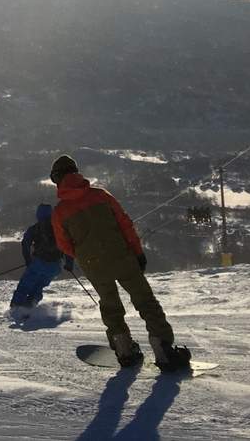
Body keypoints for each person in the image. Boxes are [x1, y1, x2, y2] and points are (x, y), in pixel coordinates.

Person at [49, 154, 192, 371]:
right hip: (122, 257)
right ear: (76, 172)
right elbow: (126, 225)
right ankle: (163, 351)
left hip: (94, 265)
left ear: (57, 179)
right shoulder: (101, 196)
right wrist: (137, 252)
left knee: (110, 306)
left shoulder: (59, 213)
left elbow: (64, 246)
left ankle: (125, 350)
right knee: (145, 300)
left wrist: (86, 257)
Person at [10, 203, 74, 313]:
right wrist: (69, 263)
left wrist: (28, 260)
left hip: (38, 263)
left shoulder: (35, 229)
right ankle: (30, 306)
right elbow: (68, 246)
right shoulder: (59, 228)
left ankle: (16, 308)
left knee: (26, 284)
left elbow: (25, 244)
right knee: (39, 286)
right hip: (55, 266)